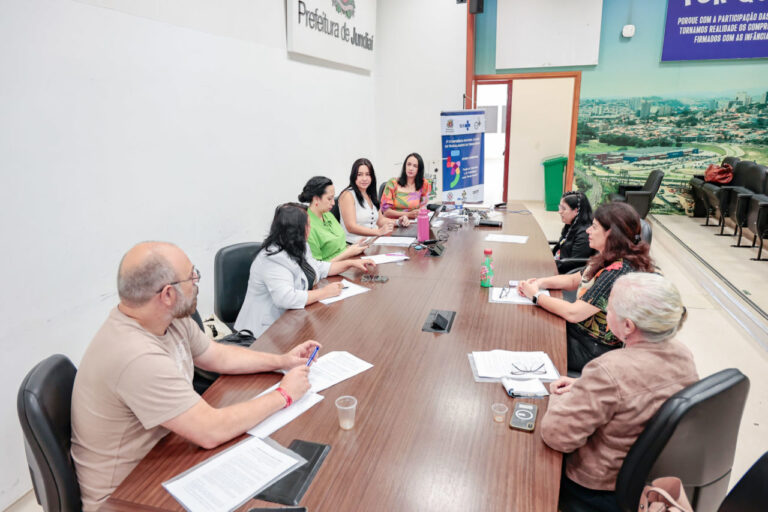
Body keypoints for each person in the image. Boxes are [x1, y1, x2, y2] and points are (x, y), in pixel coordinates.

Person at [71, 242, 321, 511]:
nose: (197, 282)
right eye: (192, 276)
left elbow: (218, 356)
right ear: (168, 294)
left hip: (163, 455)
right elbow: (210, 430)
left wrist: (282, 361)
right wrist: (284, 395)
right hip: (127, 497)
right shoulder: (135, 356)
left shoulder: (167, 319)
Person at [540, 272, 699, 512]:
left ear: (628, 326)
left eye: (609, 309)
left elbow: (557, 436)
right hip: (643, 480)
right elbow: (639, 392)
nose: (605, 313)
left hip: (594, 489)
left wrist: (560, 398)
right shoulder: (683, 354)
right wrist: (586, 388)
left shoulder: (609, 369)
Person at [517, 202, 654, 372]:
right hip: (579, 333)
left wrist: (537, 296)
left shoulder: (618, 271)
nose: (588, 230)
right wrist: (540, 282)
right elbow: (575, 279)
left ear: (611, 233)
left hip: (591, 349)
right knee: (531, 325)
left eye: (594, 227)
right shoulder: (610, 255)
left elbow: (573, 313)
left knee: (530, 338)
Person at [235, 203, 376, 337]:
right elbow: (286, 298)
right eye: (308, 225)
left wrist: (351, 263)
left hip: (293, 320)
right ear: (295, 229)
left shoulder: (300, 245)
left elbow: (319, 268)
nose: (310, 228)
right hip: (265, 333)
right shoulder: (272, 258)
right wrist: (324, 292)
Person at [300, 176, 369, 261]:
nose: (333, 203)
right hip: (330, 272)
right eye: (329, 199)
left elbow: (339, 247)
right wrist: (348, 253)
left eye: (333, 197)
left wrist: (353, 247)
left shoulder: (327, 214)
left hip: (346, 262)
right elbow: (317, 268)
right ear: (316, 199)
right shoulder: (308, 226)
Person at [338, 158, 395, 243]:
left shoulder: (369, 194)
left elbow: (380, 221)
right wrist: (378, 232)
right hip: (355, 245)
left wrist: (398, 222)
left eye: (368, 174)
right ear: (354, 176)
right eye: (360, 174)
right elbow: (351, 227)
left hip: (373, 242)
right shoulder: (347, 195)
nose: (364, 178)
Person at [380, 152, 432, 227]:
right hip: (393, 224)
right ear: (405, 166)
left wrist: (421, 213)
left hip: (413, 224)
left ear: (419, 169)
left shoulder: (424, 184)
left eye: (415, 166)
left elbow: (423, 206)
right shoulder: (392, 183)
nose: (411, 168)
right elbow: (385, 212)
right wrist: (408, 214)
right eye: (409, 164)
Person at [552, 191, 594, 274]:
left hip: (565, 273)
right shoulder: (571, 224)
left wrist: (550, 264)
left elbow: (574, 263)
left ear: (576, 211)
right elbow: (561, 245)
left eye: (563, 208)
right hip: (558, 263)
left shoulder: (584, 233)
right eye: (560, 207)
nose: (559, 211)